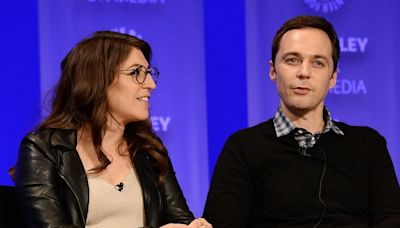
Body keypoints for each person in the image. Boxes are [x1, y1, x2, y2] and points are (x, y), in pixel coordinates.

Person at [203, 15, 400, 227]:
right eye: (292, 60)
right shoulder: (242, 148)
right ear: (272, 70)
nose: (304, 72)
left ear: (333, 77)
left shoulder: (368, 144)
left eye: (318, 63)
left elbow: (390, 218)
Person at [14, 31, 212, 228]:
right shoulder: (43, 148)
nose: (151, 84)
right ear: (97, 79)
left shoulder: (148, 150)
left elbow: (179, 218)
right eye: (136, 73)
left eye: (149, 73)